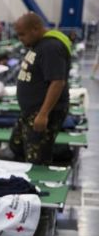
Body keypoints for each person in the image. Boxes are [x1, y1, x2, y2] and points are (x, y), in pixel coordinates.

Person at [11, 12, 71, 165]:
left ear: (35, 29)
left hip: (43, 112)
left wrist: (44, 114)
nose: (20, 39)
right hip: (31, 111)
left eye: (22, 34)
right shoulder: (39, 45)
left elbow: (57, 82)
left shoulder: (51, 47)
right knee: (16, 145)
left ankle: (38, 187)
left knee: (37, 159)